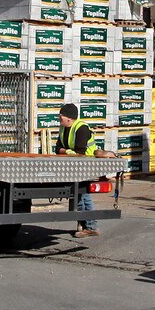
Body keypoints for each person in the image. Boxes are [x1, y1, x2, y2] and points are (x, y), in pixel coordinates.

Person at [54, 101, 101, 237]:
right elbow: (57, 148)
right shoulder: (63, 128)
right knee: (78, 195)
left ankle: (91, 227)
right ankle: (85, 224)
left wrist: (66, 151)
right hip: (74, 166)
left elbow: (80, 152)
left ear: (69, 118)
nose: (59, 118)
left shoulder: (81, 129)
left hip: (87, 165)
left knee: (84, 195)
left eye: (61, 116)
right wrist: (67, 151)